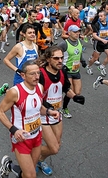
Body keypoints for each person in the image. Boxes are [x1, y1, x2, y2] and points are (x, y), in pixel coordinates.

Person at [0, 60, 60, 178]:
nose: (36, 77)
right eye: (32, 74)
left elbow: (37, 108)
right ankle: (10, 166)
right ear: (23, 75)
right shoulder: (15, 92)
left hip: (37, 135)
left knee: (28, 173)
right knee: (31, 175)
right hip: (21, 139)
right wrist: (14, 130)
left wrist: (49, 112)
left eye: (38, 73)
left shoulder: (39, 87)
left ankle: (9, 166)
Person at [36, 47, 85, 175]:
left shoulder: (62, 71)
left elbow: (66, 88)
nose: (60, 60)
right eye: (56, 58)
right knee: (54, 148)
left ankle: (39, 160)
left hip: (57, 113)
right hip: (43, 114)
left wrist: (74, 96)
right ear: (48, 59)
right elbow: (37, 98)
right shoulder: (41, 74)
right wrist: (48, 107)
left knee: (57, 144)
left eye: (61, 58)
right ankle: (29, 154)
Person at [58, 25, 87, 118]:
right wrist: (61, 66)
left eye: (78, 31)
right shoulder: (64, 44)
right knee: (69, 91)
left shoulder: (79, 41)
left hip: (76, 70)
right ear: (69, 33)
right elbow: (54, 53)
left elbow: (80, 52)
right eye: (75, 32)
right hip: (67, 71)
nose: (77, 33)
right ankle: (64, 108)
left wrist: (83, 61)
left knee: (77, 93)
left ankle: (60, 96)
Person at [86, 11, 108, 76]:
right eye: (99, 16)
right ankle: (88, 66)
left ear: (105, 17)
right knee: (95, 58)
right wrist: (102, 39)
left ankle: (102, 66)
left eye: (101, 16)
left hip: (106, 42)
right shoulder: (97, 24)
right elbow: (94, 35)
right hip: (98, 43)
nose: (100, 17)